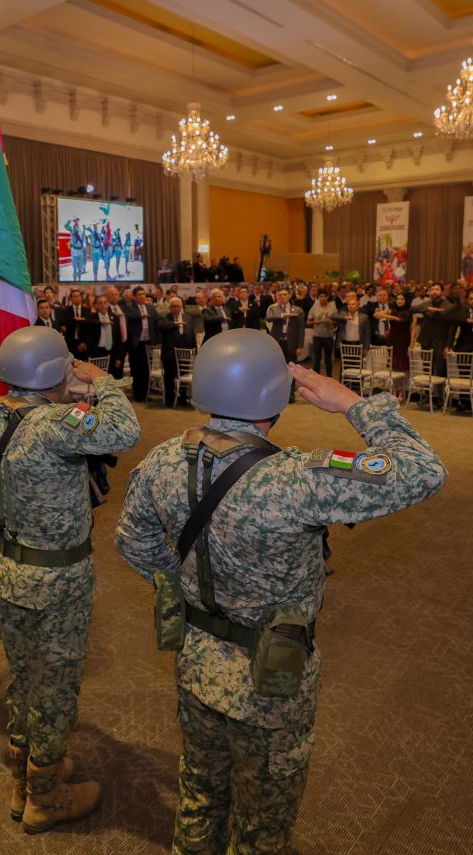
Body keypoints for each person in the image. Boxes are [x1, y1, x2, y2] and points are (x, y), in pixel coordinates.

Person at [115, 330, 446, 854]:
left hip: (196, 659)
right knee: (263, 820)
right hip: (270, 680)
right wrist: (356, 405)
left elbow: (133, 542)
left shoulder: (161, 461)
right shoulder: (299, 477)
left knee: (200, 789)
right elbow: (424, 471)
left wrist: (191, 585)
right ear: (276, 394)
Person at [0, 326, 141, 833]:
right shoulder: (55, 424)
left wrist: (11, 513)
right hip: (59, 577)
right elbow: (124, 431)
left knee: (23, 674)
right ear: (57, 371)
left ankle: (24, 771)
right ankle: (46, 795)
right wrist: (101, 381)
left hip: (9, 568)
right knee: (55, 684)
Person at [121, 287, 156, 402]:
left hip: (148, 343)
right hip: (136, 344)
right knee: (136, 370)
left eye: (143, 294)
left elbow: (156, 322)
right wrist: (141, 315)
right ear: (134, 297)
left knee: (146, 370)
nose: (142, 296)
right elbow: (127, 316)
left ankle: (145, 394)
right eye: (139, 294)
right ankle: (137, 394)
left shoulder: (150, 308)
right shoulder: (129, 307)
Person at [308, 290, 338, 376]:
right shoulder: (314, 308)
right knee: (317, 358)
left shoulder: (332, 308)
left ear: (327, 297)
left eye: (325, 296)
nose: (323, 298)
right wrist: (315, 322)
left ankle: (329, 377)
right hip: (317, 336)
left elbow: (337, 321)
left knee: (328, 359)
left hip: (328, 336)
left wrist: (330, 321)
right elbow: (308, 322)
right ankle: (316, 377)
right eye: (321, 296)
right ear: (318, 298)